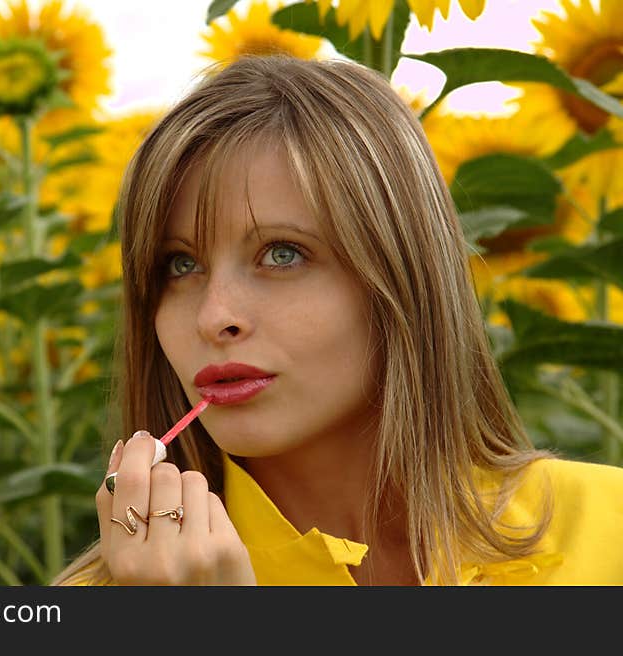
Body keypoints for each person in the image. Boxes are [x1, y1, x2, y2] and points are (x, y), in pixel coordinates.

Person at [52, 54, 623, 586]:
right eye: (179, 266)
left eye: (282, 254)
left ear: (403, 273)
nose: (214, 316)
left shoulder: (607, 533)